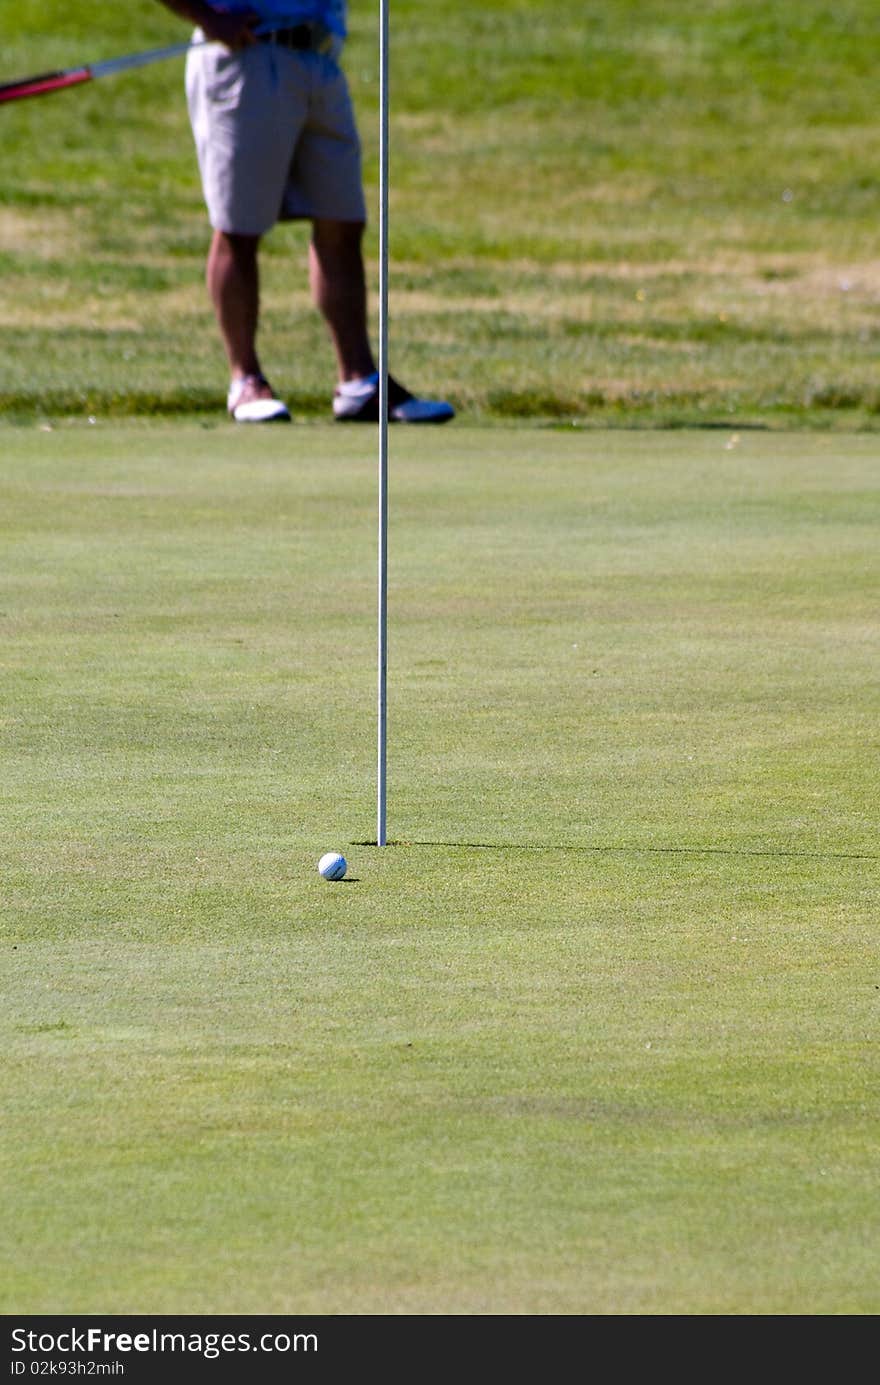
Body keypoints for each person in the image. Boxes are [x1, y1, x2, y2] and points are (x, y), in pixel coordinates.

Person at [156, 1, 454, 424]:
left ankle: (359, 382)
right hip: (246, 55)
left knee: (343, 220)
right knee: (239, 228)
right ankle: (245, 380)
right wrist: (210, 18)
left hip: (319, 59)